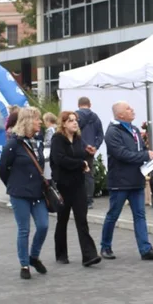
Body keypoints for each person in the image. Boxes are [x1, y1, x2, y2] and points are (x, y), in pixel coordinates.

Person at [99, 102, 153, 261]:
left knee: (140, 215)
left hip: (136, 179)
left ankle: (145, 249)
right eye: (128, 109)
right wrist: (145, 156)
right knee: (113, 214)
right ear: (120, 114)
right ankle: (105, 246)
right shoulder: (112, 132)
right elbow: (122, 154)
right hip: (120, 181)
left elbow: (141, 149)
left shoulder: (134, 129)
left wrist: (150, 156)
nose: (132, 110)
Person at [0, 106, 50, 280]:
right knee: (24, 229)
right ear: (28, 121)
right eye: (37, 119)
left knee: (43, 225)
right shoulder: (14, 143)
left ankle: (33, 256)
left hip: (37, 191)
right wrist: (13, 185)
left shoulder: (38, 141)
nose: (40, 122)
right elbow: (3, 168)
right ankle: (24, 264)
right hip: (20, 193)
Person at [50, 111, 101, 267]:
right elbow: (60, 159)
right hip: (63, 185)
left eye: (76, 120)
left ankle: (89, 255)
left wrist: (88, 155)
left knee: (82, 219)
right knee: (62, 220)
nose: (75, 123)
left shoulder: (78, 139)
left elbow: (81, 156)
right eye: (71, 120)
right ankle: (61, 254)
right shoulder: (57, 139)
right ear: (63, 123)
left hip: (78, 184)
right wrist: (80, 164)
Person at [75, 97, 104, 209]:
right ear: (90, 104)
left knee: (76, 174)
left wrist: (84, 145)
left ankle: (78, 199)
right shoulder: (95, 117)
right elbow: (101, 135)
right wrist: (95, 147)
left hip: (77, 149)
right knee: (89, 174)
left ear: (79, 104)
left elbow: (74, 134)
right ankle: (89, 200)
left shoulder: (75, 117)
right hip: (90, 151)